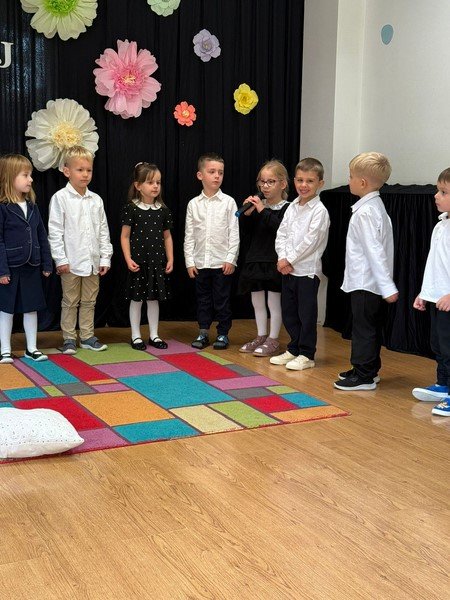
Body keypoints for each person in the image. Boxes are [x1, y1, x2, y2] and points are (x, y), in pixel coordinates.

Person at [334, 152, 398, 391]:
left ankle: (363, 376)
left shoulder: (366, 213)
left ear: (362, 182)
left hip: (366, 282)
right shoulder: (374, 207)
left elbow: (374, 251)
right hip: (370, 283)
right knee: (369, 327)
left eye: (350, 176)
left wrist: (387, 286)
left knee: (363, 329)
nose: (348, 180)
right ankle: (368, 368)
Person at [48, 146, 113, 354]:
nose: (85, 174)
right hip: (71, 262)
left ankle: (87, 336)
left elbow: (103, 230)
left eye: (89, 170)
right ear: (67, 171)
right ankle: (68, 338)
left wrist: (105, 258)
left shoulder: (96, 200)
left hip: (92, 262)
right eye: (80, 170)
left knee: (89, 301)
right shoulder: (60, 198)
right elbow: (55, 231)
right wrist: (60, 259)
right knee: (70, 301)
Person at [270, 157, 330, 370]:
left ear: (320, 183)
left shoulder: (319, 211)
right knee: (289, 312)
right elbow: (282, 234)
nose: (304, 185)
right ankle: (294, 348)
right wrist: (281, 259)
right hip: (287, 270)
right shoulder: (292, 206)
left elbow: (310, 242)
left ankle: (307, 354)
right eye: (300, 180)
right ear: (294, 181)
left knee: (306, 314)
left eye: (310, 181)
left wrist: (289, 259)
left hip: (306, 272)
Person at [184, 153, 239, 350]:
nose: (217, 176)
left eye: (220, 173)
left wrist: (231, 259)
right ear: (200, 175)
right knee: (203, 300)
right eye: (212, 172)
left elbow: (234, 234)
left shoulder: (229, 202)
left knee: (222, 300)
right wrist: (190, 261)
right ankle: (203, 332)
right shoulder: (193, 204)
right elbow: (189, 235)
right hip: (200, 262)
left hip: (221, 262)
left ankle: (223, 333)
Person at [0, 153, 52, 363]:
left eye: (30, 175)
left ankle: (32, 348)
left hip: (32, 265)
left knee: (31, 307)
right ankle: (5, 349)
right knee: (6, 309)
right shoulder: (3, 208)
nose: (30, 179)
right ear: (10, 177)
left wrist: (46, 262)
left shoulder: (33, 207)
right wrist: (2, 270)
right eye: (25, 175)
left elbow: (42, 236)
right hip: (10, 267)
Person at [237, 159, 290, 357]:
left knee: (273, 303)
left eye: (271, 182)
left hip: (274, 261)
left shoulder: (288, 208)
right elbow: (248, 232)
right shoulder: (258, 207)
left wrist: (262, 210)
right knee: (257, 302)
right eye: (262, 182)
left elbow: (279, 228)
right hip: (256, 259)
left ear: (282, 184)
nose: (265, 186)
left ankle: (273, 338)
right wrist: (248, 215)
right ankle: (261, 335)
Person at [120, 162, 173, 350]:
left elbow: (167, 236)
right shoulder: (131, 208)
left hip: (156, 262)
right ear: (138, 185)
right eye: (150, 182)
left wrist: (170, 258)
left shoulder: (163, 210)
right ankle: (135, 335)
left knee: (153, 299)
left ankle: (154, 335)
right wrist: (128, 259)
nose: (155, 186)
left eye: (158, 182)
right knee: (136, 299)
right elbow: (125, 236)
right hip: (138, 262)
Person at [411, 168, 450, 416]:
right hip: (437, 297)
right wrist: (424, 293)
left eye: (444, 192)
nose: (436, 195)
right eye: (438, 190)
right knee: (439, 344)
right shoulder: (440, 226)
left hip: (448, 300)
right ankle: (443, 383)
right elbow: (433, 264)